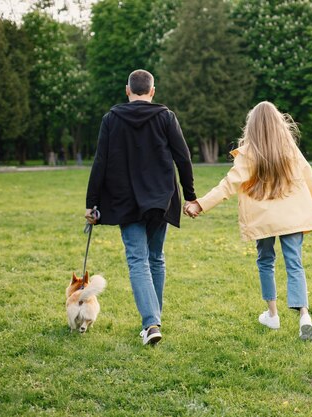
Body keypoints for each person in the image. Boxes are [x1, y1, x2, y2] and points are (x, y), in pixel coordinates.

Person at [185, 101, 312, 341]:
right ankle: (304, 316)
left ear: (251, 126)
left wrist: (200, 203)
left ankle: (272, 315)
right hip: (293, 218)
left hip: (263, 219)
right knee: (294, 264)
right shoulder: (290, 151)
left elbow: (228, 185)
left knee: (266, 261)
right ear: (280, 124)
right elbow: (310, 179)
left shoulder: (249, 154)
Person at [85, 69, 196, 346]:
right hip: (161, 197)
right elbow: (183, 158)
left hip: (126, 199)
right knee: (155, 258)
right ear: (152, 91)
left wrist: (92, 204)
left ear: (127, 90)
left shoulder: (111, 119)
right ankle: (152, 321)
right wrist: (191, 195)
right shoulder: (166, 117)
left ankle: (151, 323)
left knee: (138, 259)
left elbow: (100, 162)